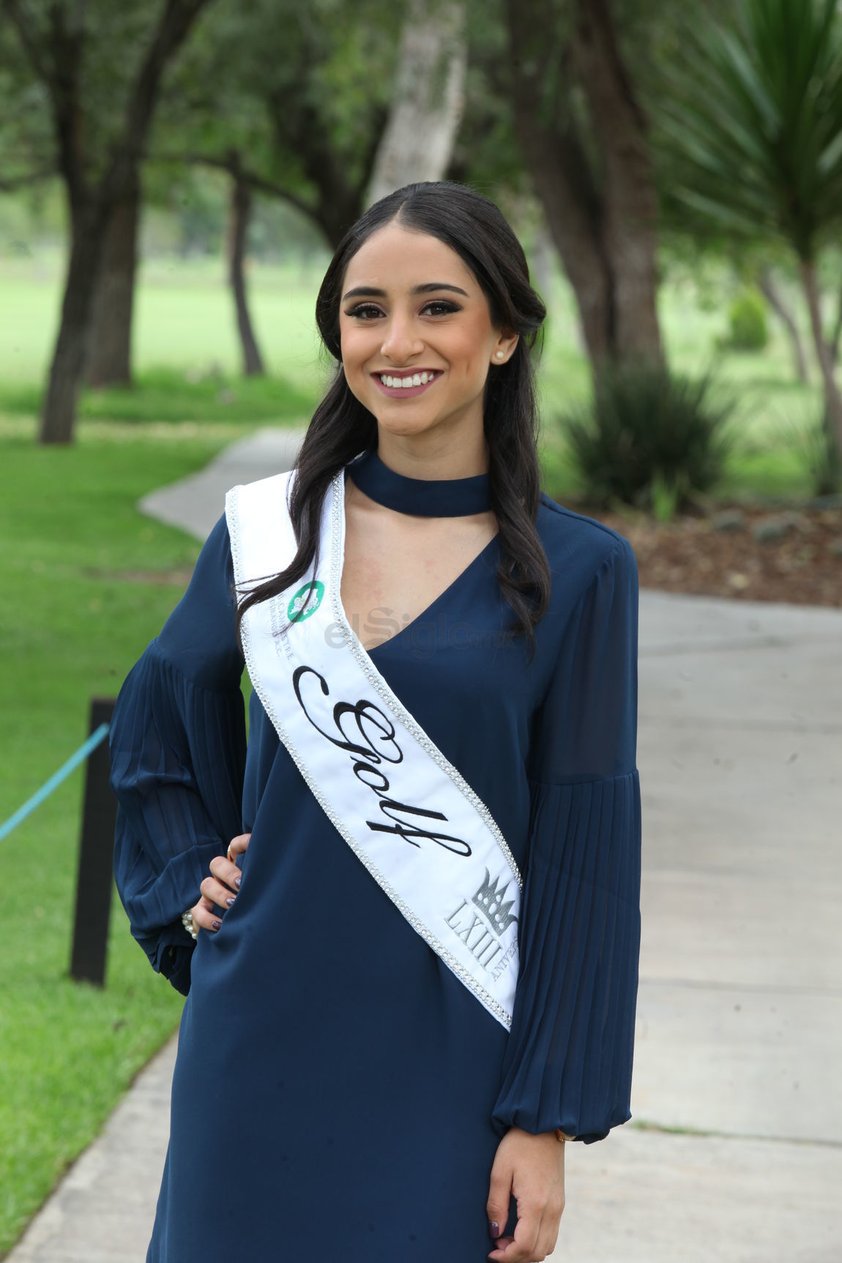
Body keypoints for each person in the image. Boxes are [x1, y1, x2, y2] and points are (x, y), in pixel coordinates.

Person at [110, 180, 641, 1263]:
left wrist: (542, 1121)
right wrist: (187, 883)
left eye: (437, 307)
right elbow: (157, 721)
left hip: (450, 1071)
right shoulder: (269, 537)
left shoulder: (581, 572)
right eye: (365, 311)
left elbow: (584, 860)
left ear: (504, 335)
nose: (396, 341)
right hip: (256, 1047)